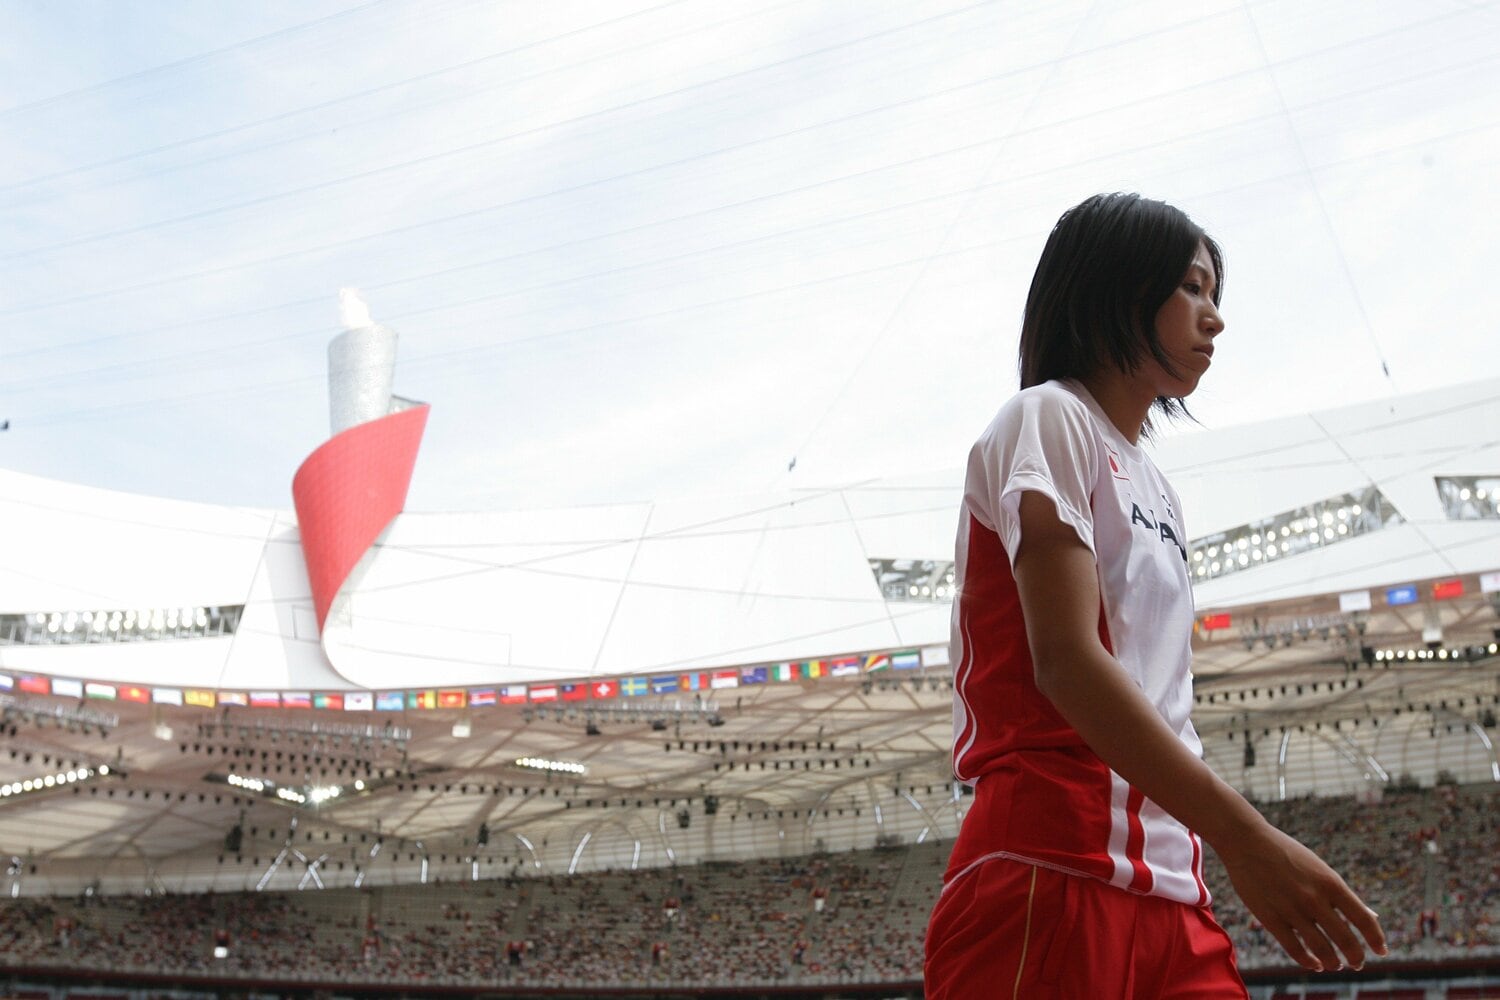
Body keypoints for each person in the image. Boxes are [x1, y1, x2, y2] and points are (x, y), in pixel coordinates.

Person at [923, 193, 1386, 998]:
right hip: (1048, 869)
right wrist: (1251, 839)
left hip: (1177, 893)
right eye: (1192, 288)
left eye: (1216, 294)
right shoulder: (1047, 418)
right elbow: (1066, 661)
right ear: (1118, 287)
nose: (1214, 318)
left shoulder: (1159, 488)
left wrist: (1219, 848)